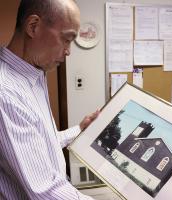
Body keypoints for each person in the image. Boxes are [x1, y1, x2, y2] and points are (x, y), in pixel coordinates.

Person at [0, 0, 99, 199]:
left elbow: (39, 142)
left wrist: (79, 130)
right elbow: (46, 191)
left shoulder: (32, 74)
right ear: (33, 26)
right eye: (67, 39)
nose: (69, 51)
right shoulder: (6, 93)